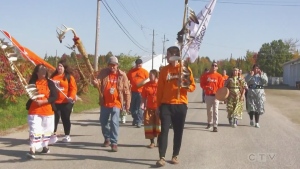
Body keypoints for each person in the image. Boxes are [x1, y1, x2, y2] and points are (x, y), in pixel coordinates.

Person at [155, 46, 196, 167]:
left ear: (173, 56)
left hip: (180, 104)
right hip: (166, 105)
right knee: (164, 131)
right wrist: (158, 106)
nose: (166, 57)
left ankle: (175, 155)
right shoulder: (164, 70)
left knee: (178, 131)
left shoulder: (185, 69)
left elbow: (193, 86)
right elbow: (160, 89)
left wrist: (184, 85)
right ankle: (161, 157)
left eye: (167, 55)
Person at [93, 56, 131, 152]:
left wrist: (127, 103)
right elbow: (97, 82)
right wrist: (95, 83)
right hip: (105, 102)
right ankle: (107, 138)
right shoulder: (103, 72)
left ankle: (114, 143)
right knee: (103, 122)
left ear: (117, 65)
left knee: (114, 122)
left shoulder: (122, 75)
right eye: (110, 65)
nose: (112, 67)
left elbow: (126, 90)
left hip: (116, 103)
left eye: (114, 65)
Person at [26, 64, 58, 159]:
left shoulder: (50, 83)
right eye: (42, 70)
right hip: (34, 110)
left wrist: (43, 101)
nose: (44, 71)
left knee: (46, 130)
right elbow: (30, 94)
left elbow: (54, 96)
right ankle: (32, 150)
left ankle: (45, 146)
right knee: (34, 130)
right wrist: (33, 96)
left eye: (45, 70)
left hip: (47, 110)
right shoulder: (32, 82)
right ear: (37, 72)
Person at [50, 59, 77, 143]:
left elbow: (73, 89)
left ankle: (67, 135)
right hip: (55, 102)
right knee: (54, 118)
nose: (59, 67)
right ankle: (53, 135)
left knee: (65, 119)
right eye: (58, 66)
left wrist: (71, 97)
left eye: (61, 66)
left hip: (66, 102)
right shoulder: (53, 77)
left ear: (64, 67)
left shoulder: (69, 77)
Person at [200, 61, 223, 132]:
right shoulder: (206, 75)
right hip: (208, 95)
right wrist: (207, 87)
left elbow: (221, 87)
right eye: (213, 65)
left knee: (215, 111)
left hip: (216, 96)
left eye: (215, 65)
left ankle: (215, 125)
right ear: (211, 66)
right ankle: (209, 123)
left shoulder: (219, 76)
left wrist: (220, 95)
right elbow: (202, 84)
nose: (214, 67)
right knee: (209, 111)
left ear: (217, 67)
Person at [141, 69, 161, 148]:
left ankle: (159, 142)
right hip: (149, 108)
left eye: (151, 75)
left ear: (156, 76)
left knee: (158, 125)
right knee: (149, 125)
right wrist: (143, 104)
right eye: (149, 75)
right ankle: (152, 142)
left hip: (158, 108)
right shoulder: (146, 85)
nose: (149, 76)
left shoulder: (160, 84)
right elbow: (143, 96)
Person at [127, 58, 149, 128]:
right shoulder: (131, 72)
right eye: (137, 64)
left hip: (141, 92)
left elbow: (148, 81)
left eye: (140, 64)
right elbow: (127, 80)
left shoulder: (145, 72)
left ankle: (139, 121)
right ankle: (135, 118)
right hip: (132, 92)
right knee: (132, 108)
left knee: (139, 107)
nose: (138, 65)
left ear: (141, 64)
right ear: (135, 64)